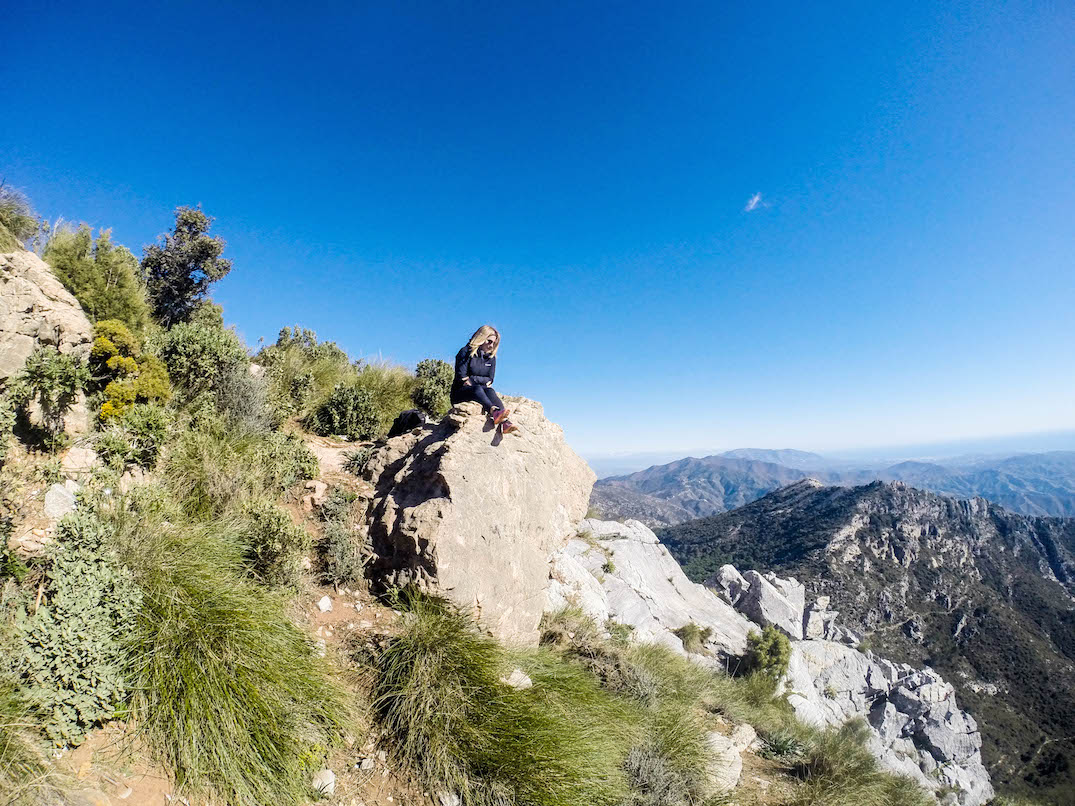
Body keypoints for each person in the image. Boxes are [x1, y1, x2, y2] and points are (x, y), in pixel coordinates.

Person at [451, 325, 517, 434]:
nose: (491, 345)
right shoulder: (465, 352)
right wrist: (480, 381)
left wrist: (472, 379)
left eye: (494, 343)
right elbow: (462, 377)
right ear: (481, 338)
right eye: (489, 341)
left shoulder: (491, 358)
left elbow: (490, 379)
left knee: (490, 391)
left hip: (480, 390)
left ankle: (505, 423)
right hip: (460, 393)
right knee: (478, 389)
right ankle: (494, 411)